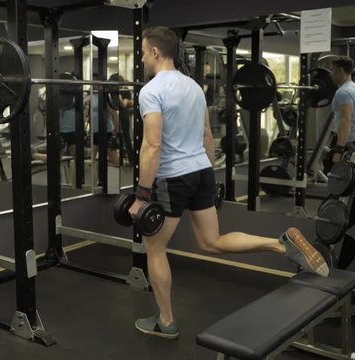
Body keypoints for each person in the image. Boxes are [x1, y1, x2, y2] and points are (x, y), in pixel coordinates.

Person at [128, 27, 330, 340]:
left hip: (174, 176)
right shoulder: (194, 87)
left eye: (143, 51)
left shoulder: (151, 91)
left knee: (154, 248)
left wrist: (141, 195)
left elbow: (152, 145)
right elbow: (208, 137)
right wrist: (206, 177)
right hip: (201, 171)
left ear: (155, 52)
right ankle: (278, 245)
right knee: (211, 241)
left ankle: (166, 321)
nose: (141, 57)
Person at [327, 56, 355, 171]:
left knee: (340, 179)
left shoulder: (343, 92)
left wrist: (339, 150)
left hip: (348, 141)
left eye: (332, 70)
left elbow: (345, 121)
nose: (331, 74)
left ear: (340, 70)